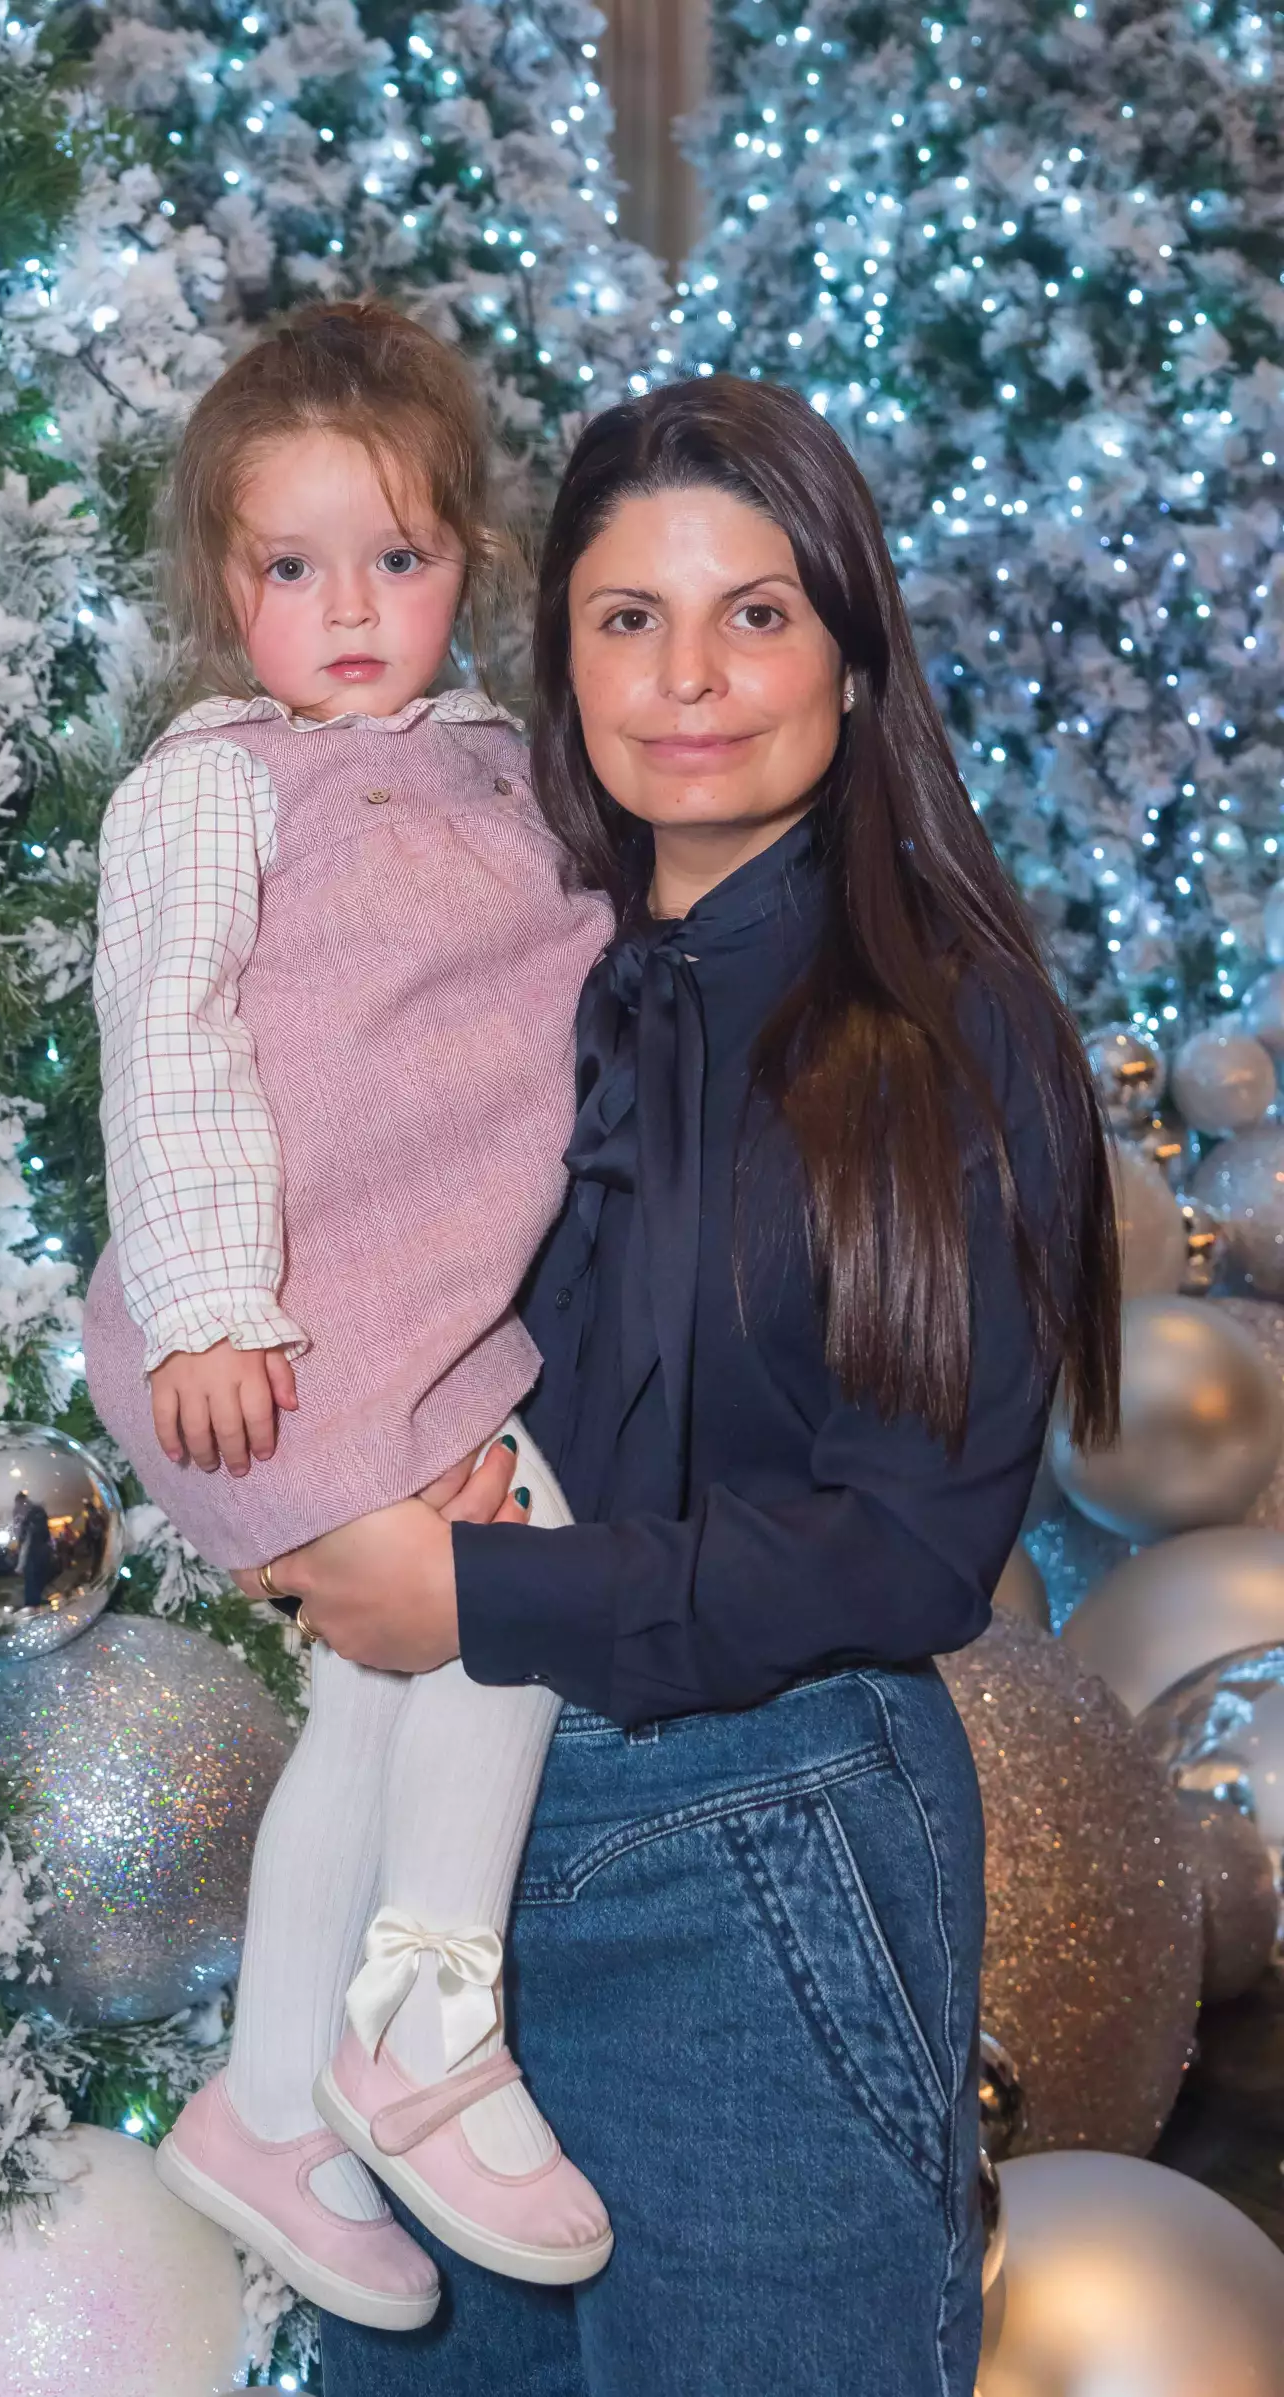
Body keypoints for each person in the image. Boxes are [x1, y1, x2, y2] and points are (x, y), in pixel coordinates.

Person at [251, 376, 1121, 2397]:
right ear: (554, 652)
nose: (688, 679)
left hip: (756, 1852)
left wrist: (472, 1600)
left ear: (849, 647)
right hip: (425, 1868)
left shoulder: (940, 1034)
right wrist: (301, 1518)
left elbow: (905, 1551)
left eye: (755, 613)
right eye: (625, 616)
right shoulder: (477, 974)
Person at [81, 299, 615, 2335]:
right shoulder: (211, 786)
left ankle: (274, 2101)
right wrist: (215, 1302)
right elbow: (171, 1043)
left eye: (395, 560)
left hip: (417, 1315)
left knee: (376, 1693)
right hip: (269, 1320)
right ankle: (425, 2017)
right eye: (292, 568)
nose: (350, 610)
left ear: (465, 560)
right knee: (515, 1589)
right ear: (227, 587)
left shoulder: (490, 763)